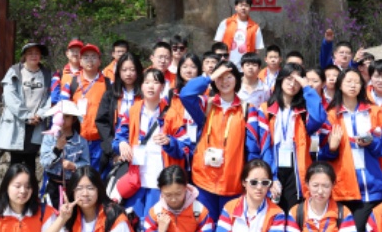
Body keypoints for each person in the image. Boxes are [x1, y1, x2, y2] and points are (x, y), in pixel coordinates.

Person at [113, 67, 194, 217]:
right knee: (133, 219)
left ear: (162, 87)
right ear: (141, 85)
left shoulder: (172, 115)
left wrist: (170, 142)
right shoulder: (132, 112)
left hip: (160, 178)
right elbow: (119, 136)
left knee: (153, 220)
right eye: (147, 82)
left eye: (156, 82)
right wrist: (122, 144)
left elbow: (186, 147)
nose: (151, 86)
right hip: (135, 178)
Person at [182, 61, 262, 213]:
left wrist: (250, 178)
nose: (224, 81)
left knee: (228, 225)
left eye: (229, 77)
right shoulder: (206, 104)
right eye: (220, 77)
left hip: (232, 183)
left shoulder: (247, 109)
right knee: (205, 225)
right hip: (204, 180)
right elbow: (186, 94)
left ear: (237, 79)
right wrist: (210, 77)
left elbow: (252, 149)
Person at [321, 66, 382, 217]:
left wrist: (372, 142)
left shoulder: (374, 112)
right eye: (348, 81)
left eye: (357, 82)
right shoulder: (331, 115)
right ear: (340, 85)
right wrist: (331, 148)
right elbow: (319, 154)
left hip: (373, 185)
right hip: (343, 186)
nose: (353, 85)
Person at [258, 64, 324, 212]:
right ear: (280, 79)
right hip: (273, 164)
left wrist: (307, 88)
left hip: (296, 167)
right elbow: (264, 146)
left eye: (297, 81)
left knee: (293, 210)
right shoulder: (266, 109)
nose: (292, 84)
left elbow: (319, 118)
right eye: (289, 79)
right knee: (273, 211)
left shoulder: (304, 111)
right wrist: (270, 175)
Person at [0, 43, 53, 173]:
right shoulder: (15, 71)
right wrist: (26, 116)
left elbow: (51, 98)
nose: (34, 56)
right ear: (24, 55)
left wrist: (40, 115)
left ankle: (30, 186)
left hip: (37, 123)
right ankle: (11, 186)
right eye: (30, 53)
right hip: (17, 122)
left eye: (37, 53)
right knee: (15, 161)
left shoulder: (47, 74)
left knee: (30, 160)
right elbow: (10, 96)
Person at [213, 0, 264, 66]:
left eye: (246, 6)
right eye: (241, 5)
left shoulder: (255, 27)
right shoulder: (226, 23)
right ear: (236, 7)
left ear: (250, 8)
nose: (243, 8)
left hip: (246, 66)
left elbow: (257, 51)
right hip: (226, 64)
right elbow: (217, 44)